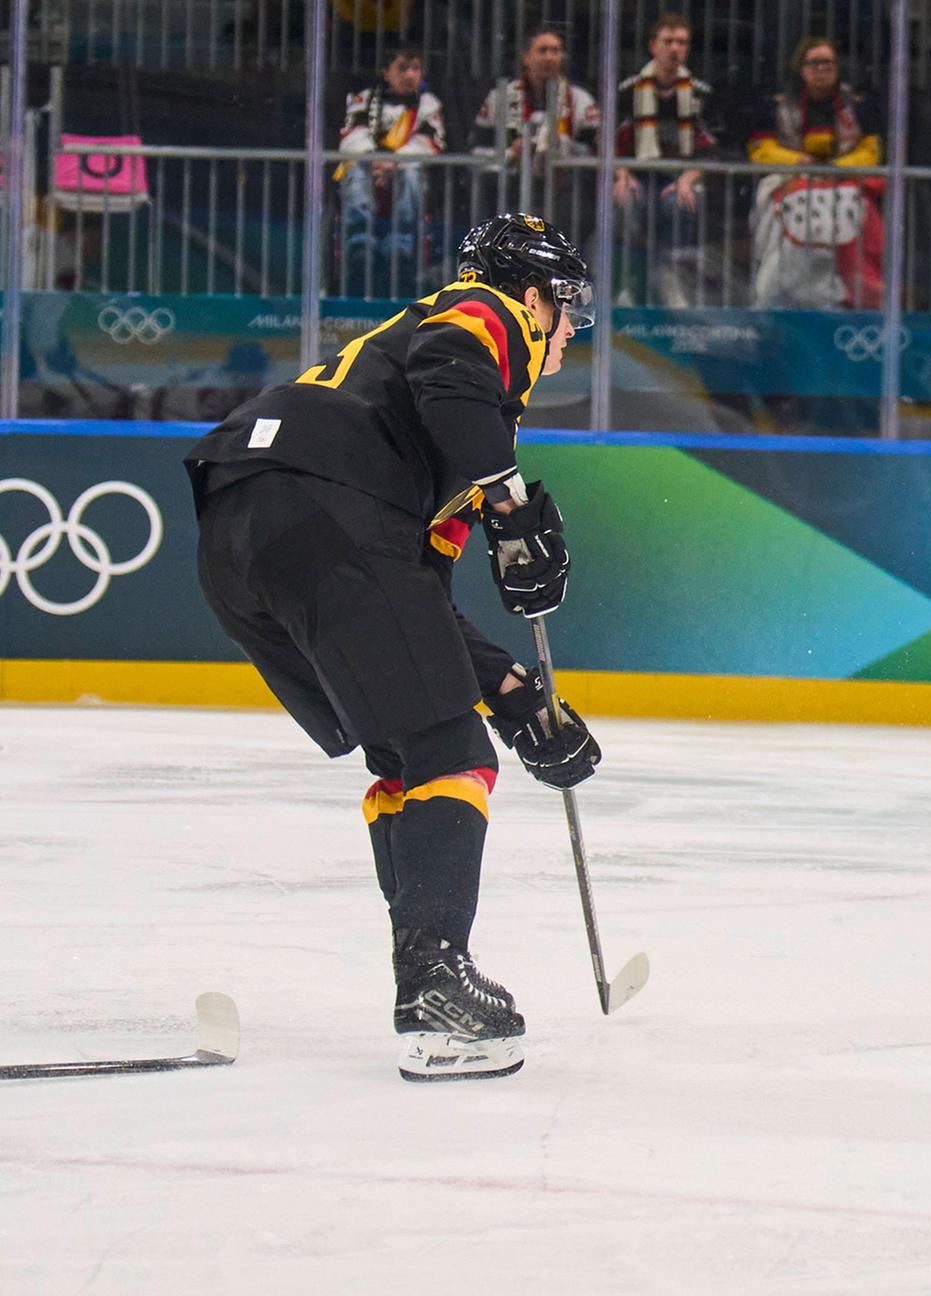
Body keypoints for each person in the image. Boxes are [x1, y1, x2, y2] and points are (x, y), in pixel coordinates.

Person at [183, 213, 601, 1082]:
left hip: (242, 531)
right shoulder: (485, 318)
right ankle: (434, 981)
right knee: (450, 750)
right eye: (564, 306)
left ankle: (428, 968)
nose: (569, 328)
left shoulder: (441, 432)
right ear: (532, 296)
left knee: (414, 746)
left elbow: (418, 602)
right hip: (326, 504)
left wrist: (519, 693)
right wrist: (512, 507)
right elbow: (449, 368)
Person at [746, 36, 884, 309]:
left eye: (828, 63)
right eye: (815, 63)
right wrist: (799, 162)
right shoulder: (779, 104)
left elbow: (872, 150)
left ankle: (852, 292)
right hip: (791, 178)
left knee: (858, 211)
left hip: (843, 181)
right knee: (784, 209)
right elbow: (760, 148)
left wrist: (837, 169)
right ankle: (777, 290)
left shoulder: (856, 104)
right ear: (801, 69)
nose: (822, 69)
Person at [613, 12, 717, 306]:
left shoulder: (701, 93)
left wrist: (687, 179)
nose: (675, 49)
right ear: (652, 46)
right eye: (668, 41)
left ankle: (675, 288)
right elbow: (611, 143)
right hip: (637, 174)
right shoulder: (628, 90)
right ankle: (627, 287)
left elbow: (709, 149)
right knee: (628, 201)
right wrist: (622, 175)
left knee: (678, 204)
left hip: (680, 178)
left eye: (682, 42)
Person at [335, 46, 446, 294]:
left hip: (405, 172)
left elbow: (430, 143)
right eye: (402, 69)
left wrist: (393, 162)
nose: (409, 75)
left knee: (411, 173)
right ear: (386, 73)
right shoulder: (365, 99)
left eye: (415, 69)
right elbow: (352, 136)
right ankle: (359, 244)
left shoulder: (429, 105)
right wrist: (375, 160)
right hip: (369, 171)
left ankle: (402, 245)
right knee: (354, 170)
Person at [470, 27, 599, 179]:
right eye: (542, 51)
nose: (549, 57)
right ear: (526, 58)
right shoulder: (499, 98)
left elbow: (597, 154)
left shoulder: (581, 100)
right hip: (510, 188)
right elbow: (476, 153)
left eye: (555, 51)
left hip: (567, 189)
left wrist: (563, 147)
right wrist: (511, 153)